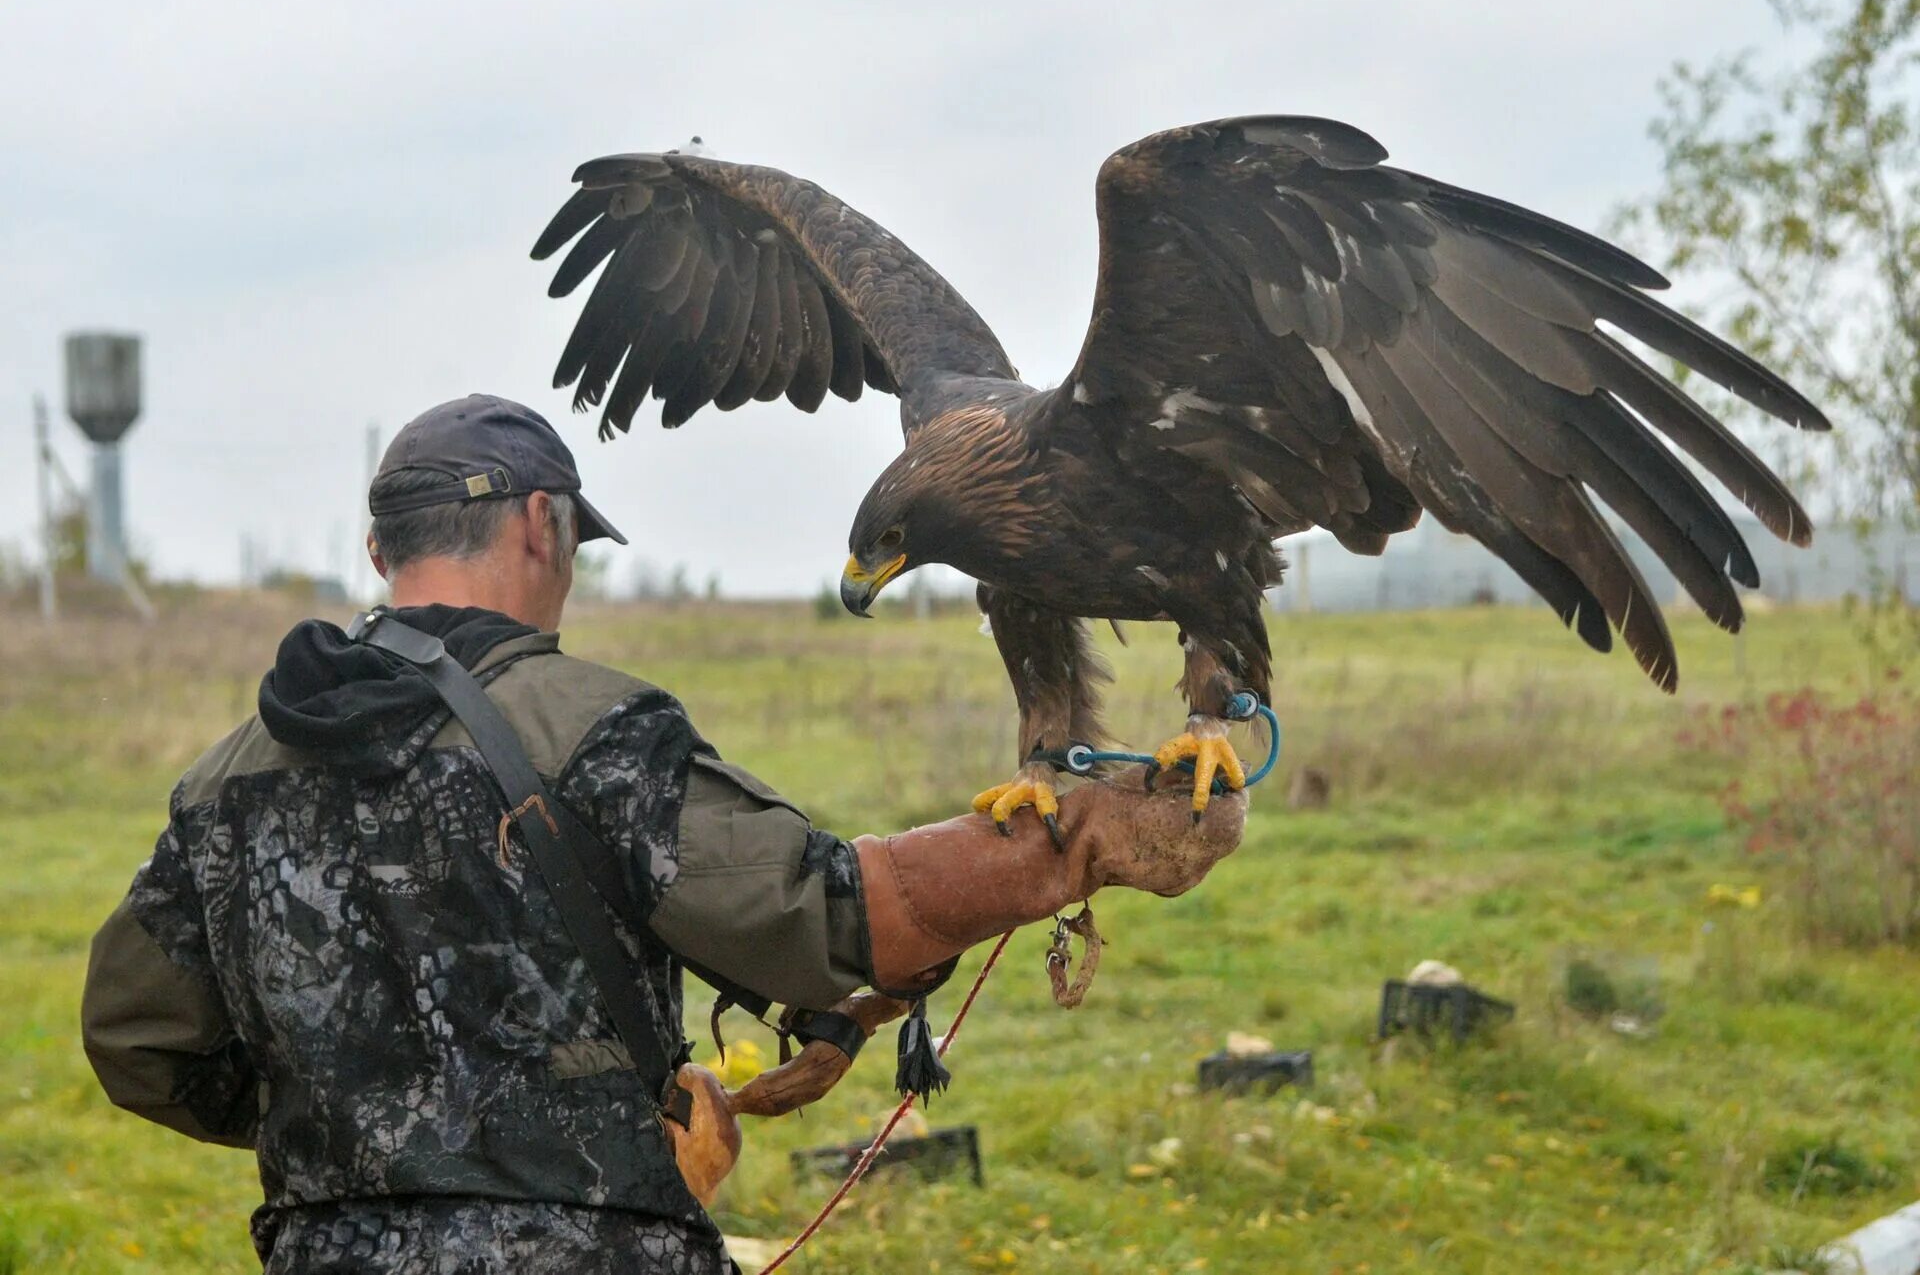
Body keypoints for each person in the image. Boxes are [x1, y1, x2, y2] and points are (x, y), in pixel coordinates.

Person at [80, 395, 1246, 1274]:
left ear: (386, 553)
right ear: (543, 524)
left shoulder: (226, 777)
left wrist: (361, 1135)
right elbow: (835, 916)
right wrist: (1078, 839)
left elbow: (137, 1039)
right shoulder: (590, 729)